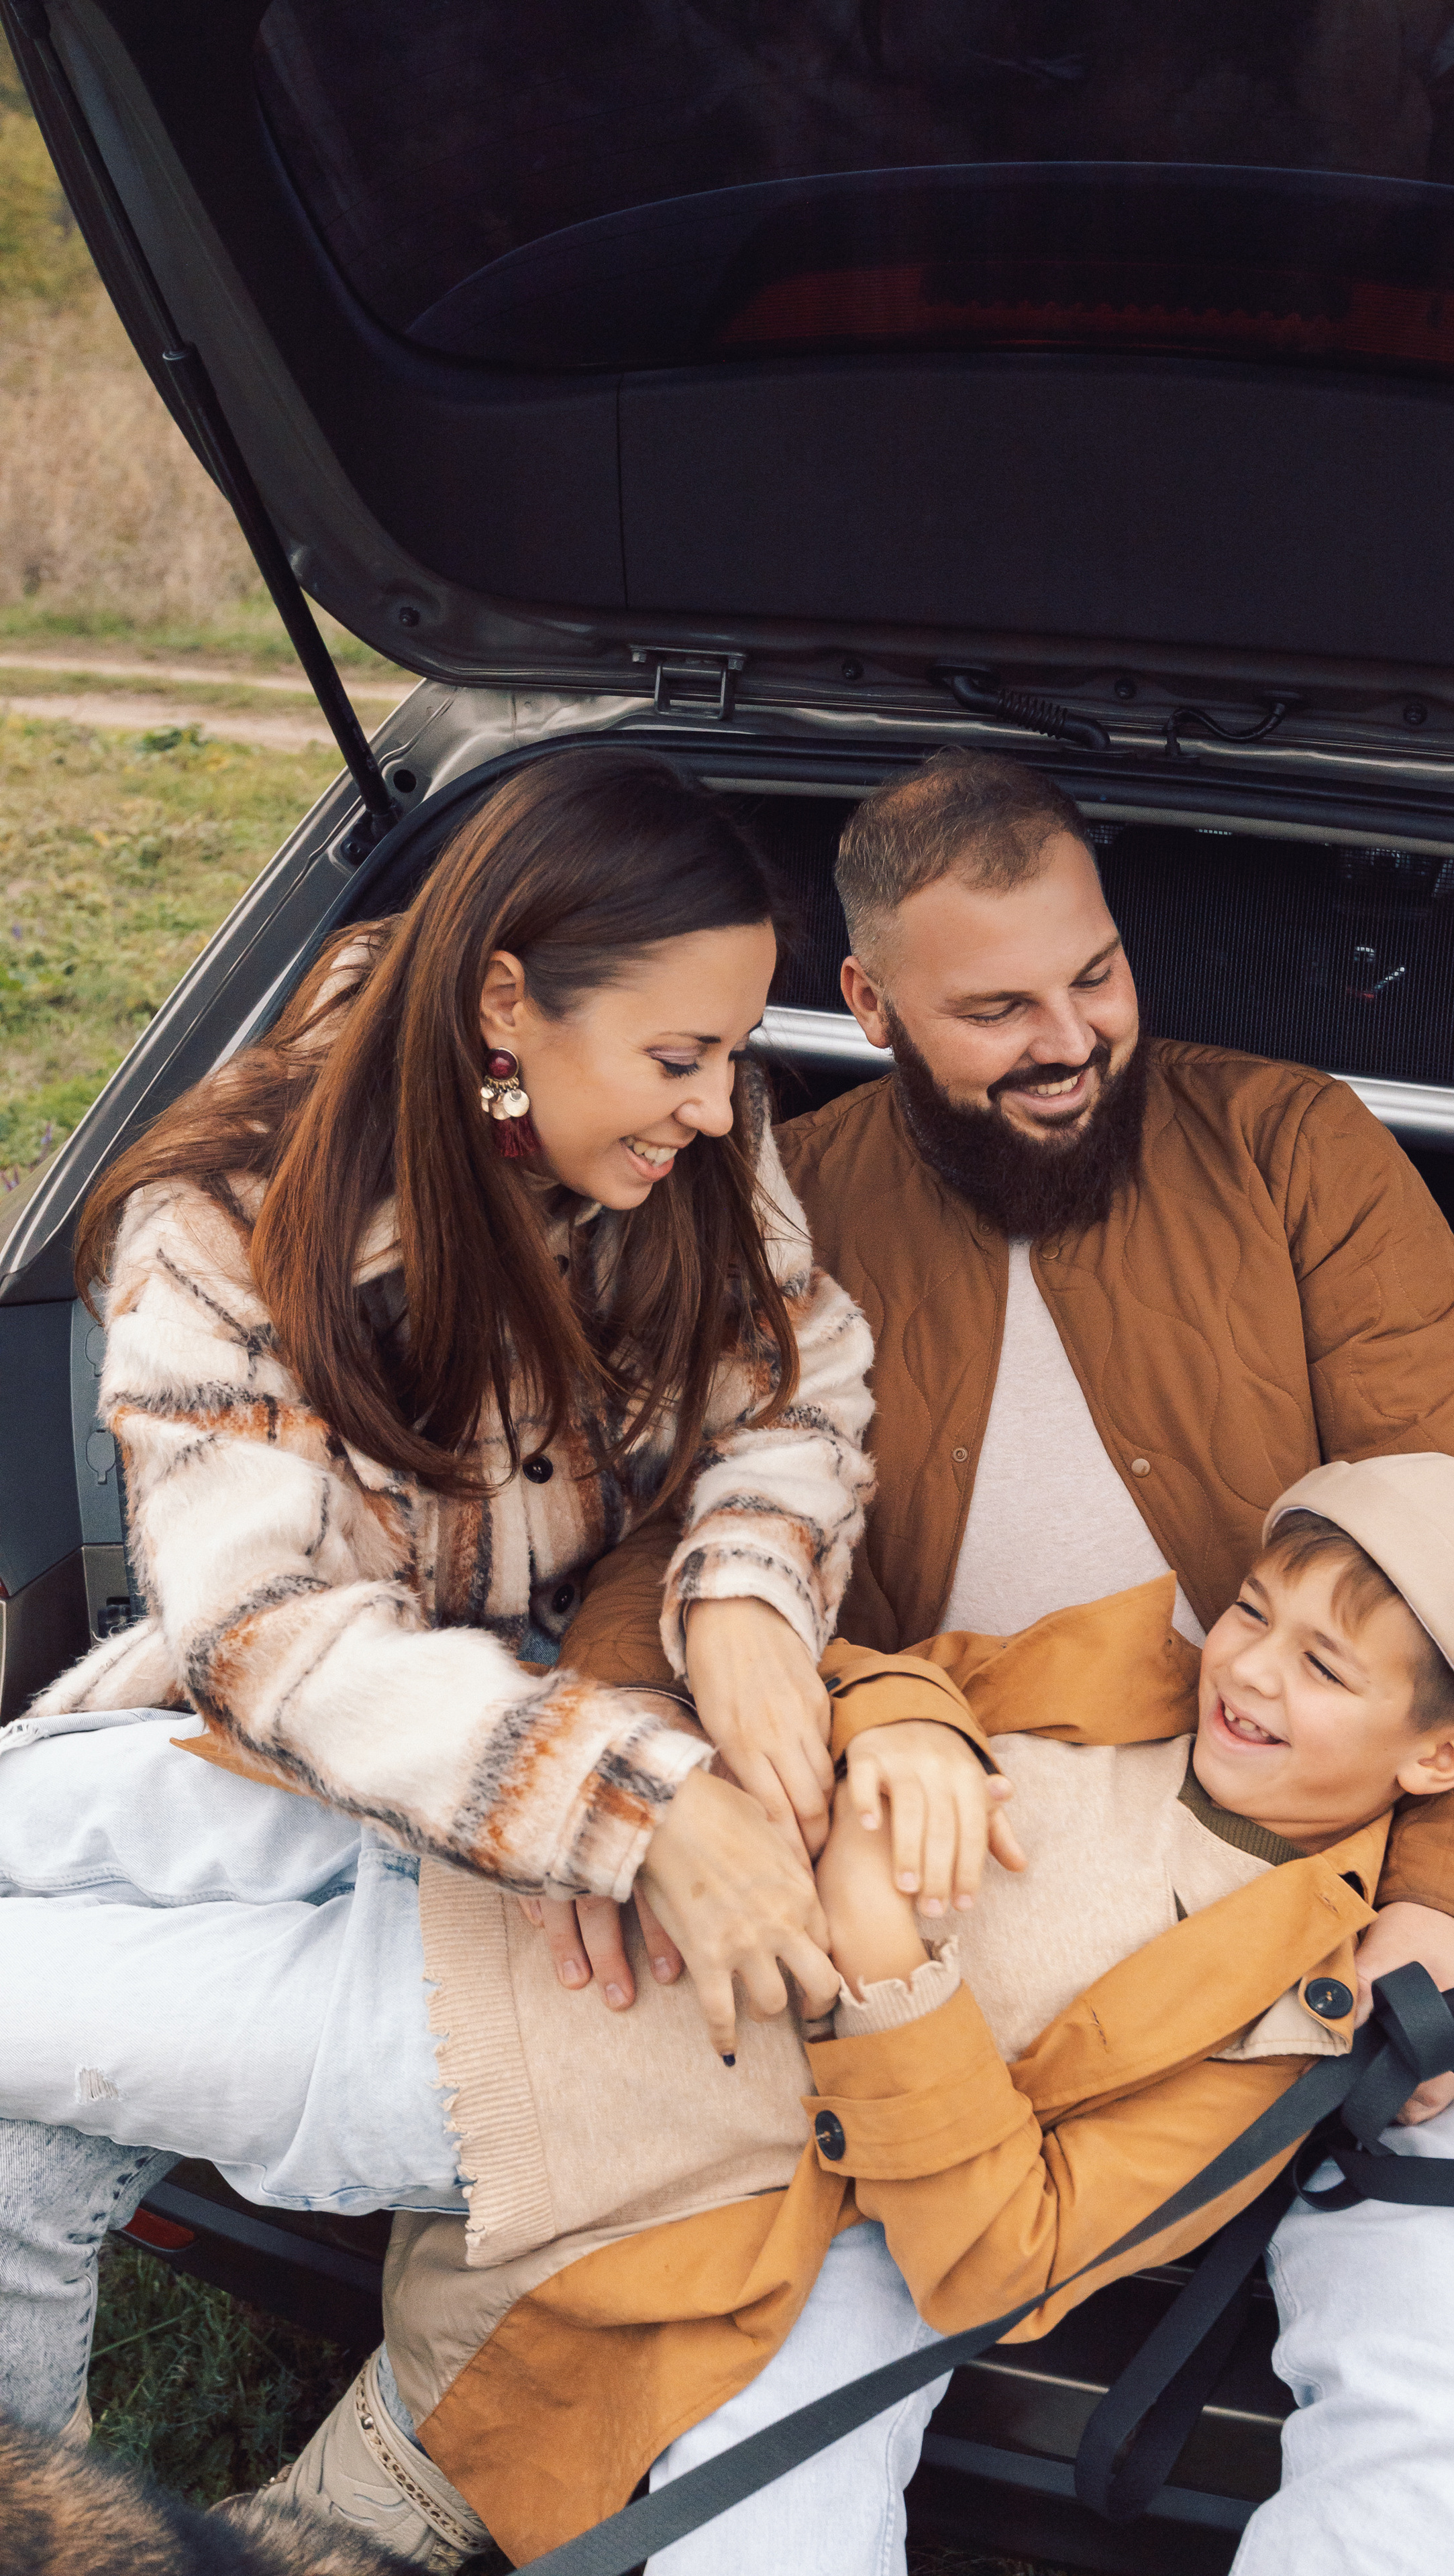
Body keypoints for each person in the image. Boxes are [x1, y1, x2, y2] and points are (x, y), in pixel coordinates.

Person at [535, 747, 1454, 2575]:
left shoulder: (1297, 1145)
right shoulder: (778, 1207)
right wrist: (625, 1784)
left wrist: (1452, 1915)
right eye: (995, 1008)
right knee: (753, 2451)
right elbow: (663, 1549)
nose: (1068, 1039)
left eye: (1098, 977)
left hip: (1337, 1858)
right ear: (871, 1004)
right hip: (949, 1882)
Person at [0, 747, 877, 2565]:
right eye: (679, 1059)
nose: (721, 1110)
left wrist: (740, 1598)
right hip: (297, 1738)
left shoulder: (701, 1147)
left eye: (736, 1055)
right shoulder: (219, 1215)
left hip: (576, 1715)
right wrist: (639, 1810)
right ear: (504, 1005)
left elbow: (798, 1399)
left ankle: (353, 2499)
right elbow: (267, 1638)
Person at [354, 1453, 1454, 2576]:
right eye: (1254, 1615)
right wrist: (694, 1736)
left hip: (964, 2107)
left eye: (1317, 1660)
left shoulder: (1297, 1988)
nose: (1260, 1661)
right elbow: (806, 1585)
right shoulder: (1123, 1666)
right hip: (776, 1903)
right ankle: (384, 2484)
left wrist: (1452, 1903)